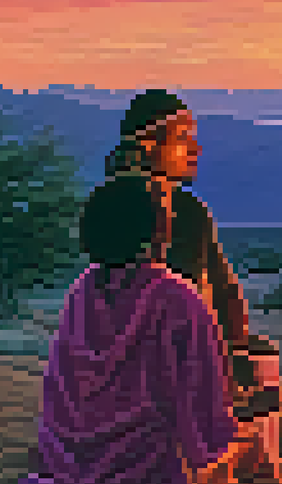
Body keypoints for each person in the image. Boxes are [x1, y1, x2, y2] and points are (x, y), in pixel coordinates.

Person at [20, 179, 235, 484]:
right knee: (255, 442)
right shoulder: (176, 295)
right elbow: (204, 387)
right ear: (155, 229)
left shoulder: (82, 288)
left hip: (73, 454)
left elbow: (61, 383)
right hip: (145, 457)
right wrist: (213, 447)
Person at [103, 89, 252, 353]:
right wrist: (236, 348)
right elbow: (211, 288)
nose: (195, 149)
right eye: (183, 139)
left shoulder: (109, 203)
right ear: (150, 145)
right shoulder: (179, 208)